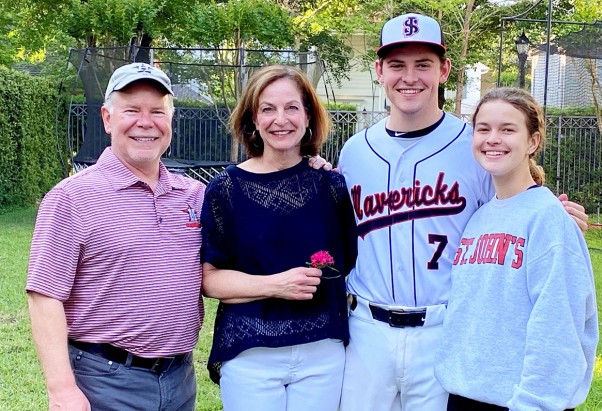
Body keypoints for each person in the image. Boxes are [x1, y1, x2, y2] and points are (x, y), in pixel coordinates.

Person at [336, 13, 590, 411]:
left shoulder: (473, 144)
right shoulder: (353, 152)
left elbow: (516, 201)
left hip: (446, 329)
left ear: (444, 70)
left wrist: (556, 216)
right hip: (366, 329)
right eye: (397, 65)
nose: (410, 77)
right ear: (379, 70)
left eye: (423, 64)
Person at [26, 62, 205, 410]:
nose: (145, 122)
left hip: (180, 378)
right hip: (103, 381)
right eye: (132, 111)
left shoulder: (194, 195)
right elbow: (44, 296)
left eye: (157, 111)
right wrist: (62, 389)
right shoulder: (71, 197)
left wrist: (307, 163)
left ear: (170, 120)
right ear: (107, 118)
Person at [199, 65, 357, 411]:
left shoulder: (331, 186)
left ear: (308, 116)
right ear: (253, 119)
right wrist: (275, 285)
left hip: (322, 353)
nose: (279, 119)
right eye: (267, 109)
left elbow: (346, 263)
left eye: (291, 108)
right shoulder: (225, 190)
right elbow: (209, 281)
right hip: (251, 352)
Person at [434, 87, 599, 410]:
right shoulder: (479, 218)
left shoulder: (548, 219)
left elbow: (558, 329)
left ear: (533, 141)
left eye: (507, 129)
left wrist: (533, 403)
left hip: (522, 402)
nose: (493, 139)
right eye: (484, 129)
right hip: (465, 396)